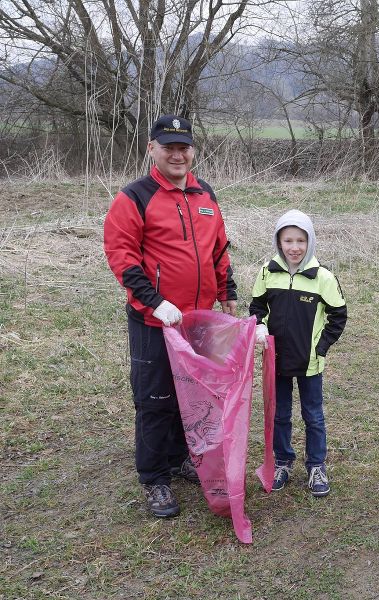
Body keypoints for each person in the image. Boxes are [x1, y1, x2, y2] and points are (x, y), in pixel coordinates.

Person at [104, 115, 238, 517]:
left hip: (198, 320)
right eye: (168, 148)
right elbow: (122, 257)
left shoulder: (204, 194)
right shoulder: (134, 198)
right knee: (156, 398)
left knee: (192, 395)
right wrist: (155, 302)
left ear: (193, 150)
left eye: (184, 148)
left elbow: (218, 248)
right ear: (152, 149)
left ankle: (182, 458)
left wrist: (227, 290)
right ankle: (154, 477)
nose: (177, 155)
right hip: (154, 322)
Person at [250, 210, 347, 496]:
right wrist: (259, 329)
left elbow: (338, 316)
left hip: (309, 362)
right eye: (288, 240)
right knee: (279, 414)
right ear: (278, 242)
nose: (294, 247)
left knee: (313, 415)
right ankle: (282, 462)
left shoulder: (323, 277)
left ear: (310, 242)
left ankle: (316, 465)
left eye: (301, 240)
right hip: (275, 359)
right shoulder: (268, 272)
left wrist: (321, 346)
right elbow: (257, 308)